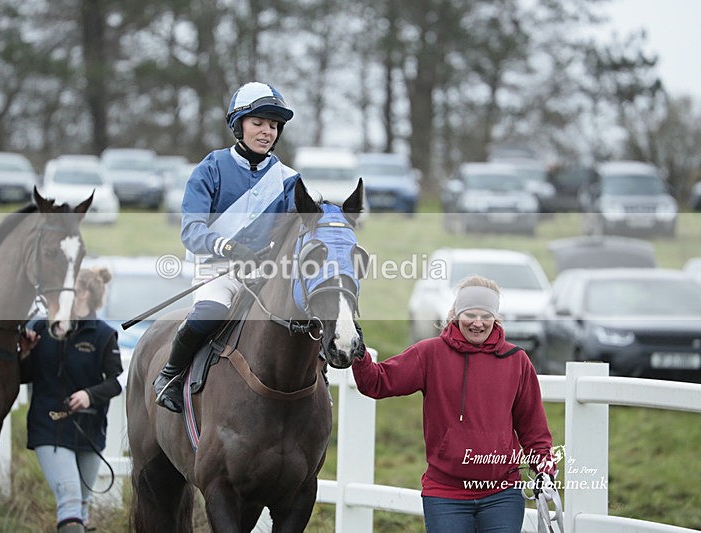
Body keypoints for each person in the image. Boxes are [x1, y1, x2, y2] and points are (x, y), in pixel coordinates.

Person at [351, 275, 557, 533]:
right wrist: (358, 352)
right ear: (457, 315)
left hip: (501, 494)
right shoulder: (429, 354)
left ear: (496, 318)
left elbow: (533, 428)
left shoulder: (516, 360)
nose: (478, 323)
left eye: (486, 315)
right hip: (446, 494)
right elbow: (377, 382)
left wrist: (544, 467)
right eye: (471, 314)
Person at [153, 81, 300, 411]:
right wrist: (231, 250)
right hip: (218, 270)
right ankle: (170, 375)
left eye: (273, 125)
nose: (267, 132)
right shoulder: (211, 168)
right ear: (239, 125)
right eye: (258, 123)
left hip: (265, 275)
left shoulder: (289, 179)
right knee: (212, 311)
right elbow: (191, 231)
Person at [20, 267, 123, 533]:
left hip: (89, 430)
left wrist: (90, 395)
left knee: (82, 506)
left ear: (90, 295)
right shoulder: (41, 328)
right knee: (70, 502)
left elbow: (114, 383)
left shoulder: (104, 335)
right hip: (49, 428)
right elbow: (22, 377)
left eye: (75, 291)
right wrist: (24, 354)